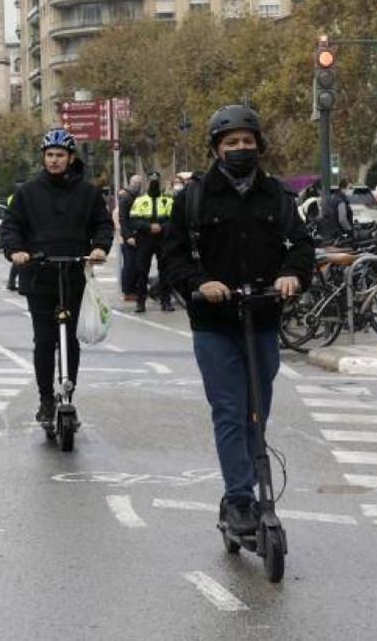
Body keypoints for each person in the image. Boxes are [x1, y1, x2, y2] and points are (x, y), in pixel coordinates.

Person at [161, 104, 314, 538]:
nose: (241, 149)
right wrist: (200, 282)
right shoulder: (193, 199)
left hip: (263, 319)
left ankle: (251, 490)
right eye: (232, 143)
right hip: (214, 324)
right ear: (216, 149)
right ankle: (241, 499)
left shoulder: (278, 197)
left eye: (248, 142)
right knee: (229, 410)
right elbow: (172, 257)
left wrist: (292, 274)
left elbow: (300, 246)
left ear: (259, 145)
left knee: (257, 411)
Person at [0, 128, 113, 426]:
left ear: (70, 158)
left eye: (60, 155)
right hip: (39, 276)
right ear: (43, 158)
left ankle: (68, 397)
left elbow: (102, 224)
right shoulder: (27, 192)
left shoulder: (87, 193)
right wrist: (16, 251)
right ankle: (46, 401)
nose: (54, 160)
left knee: (70, 342)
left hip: (74, 274)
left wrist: (100, 248)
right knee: (45, 340)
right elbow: (10, 226)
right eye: (49, 155)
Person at [128, 171, 175, 313]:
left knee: (165, 270)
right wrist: (149, 227)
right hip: (145, 238)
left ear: (159, 182)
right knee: (142, 271)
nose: (154, 182)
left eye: (156, 180)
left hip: (163, 238)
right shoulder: (140, 200)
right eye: (151, 180)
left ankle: (166, 301)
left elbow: (174, 220)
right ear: (147, 182)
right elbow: (134, 221)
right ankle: (140, 302)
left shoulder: (168, 200)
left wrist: (161, 227)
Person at [118, 174, 143, 302]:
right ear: (130, 183)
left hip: (139, 236)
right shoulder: (125, 198)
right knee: (129, 265)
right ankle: (128, 291)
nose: (137, 185)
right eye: (135, 182)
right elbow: (123, 220)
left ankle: (135, 289)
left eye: (139, 183)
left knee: (138, 265)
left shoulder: (139, 197)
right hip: (128, 238)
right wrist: (128, 236)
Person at [318, 177, 355, 243]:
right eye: (350, 188)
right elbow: (342, 219)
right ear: (342, 188)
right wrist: (350, 231)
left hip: (331, 234)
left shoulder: (334, 198)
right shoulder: (341, 201)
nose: (352, 190)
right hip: (339, 235)